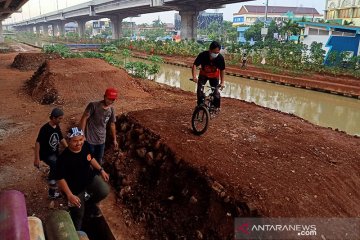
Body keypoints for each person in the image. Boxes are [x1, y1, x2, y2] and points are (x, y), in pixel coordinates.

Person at [56, 127, 110, 230]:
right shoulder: (63, 158)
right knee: (78, 215)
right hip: (75, 188)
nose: (79, 143)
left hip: (89, 178)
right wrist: (69, 195)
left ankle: (89, 205)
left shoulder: (85, 146)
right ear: (69, 141)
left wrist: (101, 170)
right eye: (75, 141)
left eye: (81, 139)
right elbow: (60, 178)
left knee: (104, 190)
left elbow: (91, 159)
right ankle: (77, 233)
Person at [34, 107, 68, 199]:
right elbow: (38, 143)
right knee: (55, 166)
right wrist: (37, 158)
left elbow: (61, 138)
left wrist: (68, 149)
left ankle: (60, 185)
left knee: (61, 165)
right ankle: (52, 192)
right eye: (59, 118)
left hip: (55, 153)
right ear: (53, 118)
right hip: (47, 155)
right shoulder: (45, 129)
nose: (61, 120)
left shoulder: (57, 127)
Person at [79, 88, 119, 166]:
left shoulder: (111, 110)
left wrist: (114, 139)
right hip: (90, 139)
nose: (110, 101)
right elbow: (84, 118)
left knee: (99, 159)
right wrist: (82, 135)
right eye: (109, 99)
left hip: (101, 140)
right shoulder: (93, 105)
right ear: (104, 96)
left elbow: (112, 124)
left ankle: (97, 174)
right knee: (88, 159)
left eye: (112, 100)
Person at [192, 41, 225, 110]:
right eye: (214, 52)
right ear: (210, 50)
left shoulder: (220, 58)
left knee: (216, 92)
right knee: (199, 90)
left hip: (214, 76)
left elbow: (222, 70)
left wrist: (222, 82)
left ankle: (216, 107)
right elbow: (195, 65)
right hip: (203, 75)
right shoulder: (203, 55)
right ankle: (200, 105)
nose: (216, 54)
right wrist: (194, 77)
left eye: (217, 52)